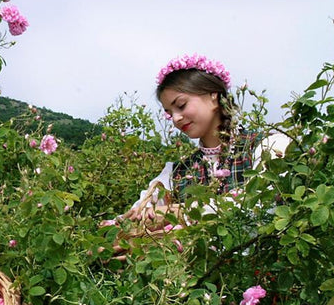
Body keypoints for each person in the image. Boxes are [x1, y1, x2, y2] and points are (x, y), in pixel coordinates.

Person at [121, 53, 290, 232]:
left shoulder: (268, 146)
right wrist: (128, 223)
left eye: (181, 105)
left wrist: (178, 213)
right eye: (169, 113)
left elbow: (262, 204)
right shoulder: (175, 173)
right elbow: (140, 210)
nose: (176, 118)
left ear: (213, 95)